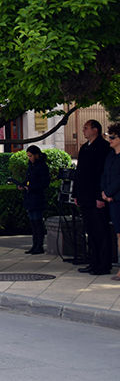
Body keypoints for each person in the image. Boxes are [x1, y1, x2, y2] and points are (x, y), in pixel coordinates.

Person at [74, 120, 113, 276]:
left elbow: (101, 174)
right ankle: (93, 261)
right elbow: (79, 173)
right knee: (90, 231)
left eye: (86, 128)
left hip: (96, 197)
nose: (83, 131)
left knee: (101, 231)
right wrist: (75, 194)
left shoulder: (103, 148)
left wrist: (100, 197)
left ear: (95, 130)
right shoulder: (84, 148)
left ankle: (104, 264)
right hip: (84, 197)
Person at [17, 146, 50, 255]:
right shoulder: (31, 166)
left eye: (31, 156)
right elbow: (28, 179)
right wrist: (23, 185)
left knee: (37, 222)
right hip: (30, 197)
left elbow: (44, 183)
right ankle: (35, 244)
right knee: (32, 222)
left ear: (36, 155)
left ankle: (39, 245)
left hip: (37, 197)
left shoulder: (41, 166)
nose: (29, 158)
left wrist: (31, 187)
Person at [100, 123, 120, 281]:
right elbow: (105, 174)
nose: (110, 139)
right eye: (108, 136)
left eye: (113, 137)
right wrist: (104, 192)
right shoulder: (110, 155)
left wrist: (109, 192)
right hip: (112, 200)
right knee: (118, 235)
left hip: (117, 197)